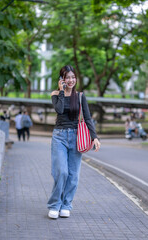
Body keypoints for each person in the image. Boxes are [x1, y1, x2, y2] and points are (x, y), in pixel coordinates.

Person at [47, 65, 101, 219]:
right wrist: (63, 92)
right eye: (67, 77)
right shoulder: (56, 94)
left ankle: (66, 205)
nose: (70, 80)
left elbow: (88, 118)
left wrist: (95, 137)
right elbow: (58, 109)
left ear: (75, 78)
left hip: (76, 137)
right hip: (59, 136)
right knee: (61, 172)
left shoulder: (81, 96)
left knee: (73, 175)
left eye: (72, 77)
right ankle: (54, 204)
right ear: (62, 79)